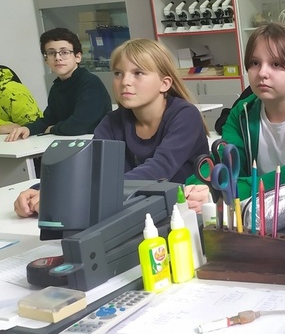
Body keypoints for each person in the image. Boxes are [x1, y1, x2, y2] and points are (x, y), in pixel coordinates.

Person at [14, 38, 210, 217]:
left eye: (138, 73)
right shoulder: (112, 121)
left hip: (182, 214)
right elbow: (88, 167)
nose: (125, 82)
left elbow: (158, 169)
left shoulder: (185, 115)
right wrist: (42, 189)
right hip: (131, 210)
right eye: (118, 73)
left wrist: (66, 193)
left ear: (164, 84)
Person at [185, 22, 285, 211]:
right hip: (255, 214)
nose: (262, 73)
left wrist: (229, 190)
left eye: (276, 64)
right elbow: (223, 159)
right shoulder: (242, 112)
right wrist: (198, 186)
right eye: (255, 63)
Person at [5, 28, 112, 141]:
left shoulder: (90, 83)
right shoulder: (57, 87)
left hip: (96, 144)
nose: (58, 58)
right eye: (51, 53)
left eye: (64, 52)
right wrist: (28, 129)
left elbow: (78, 125)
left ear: (78, 57)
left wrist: (52, 129)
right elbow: (48, 120)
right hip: (71, 143)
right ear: (46, 60)